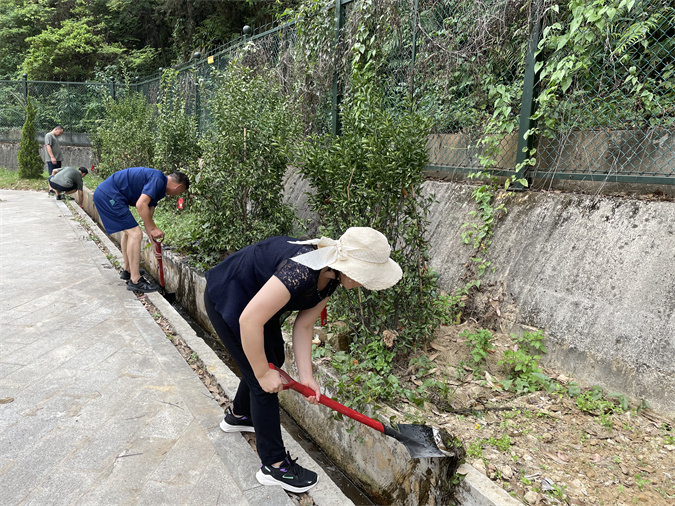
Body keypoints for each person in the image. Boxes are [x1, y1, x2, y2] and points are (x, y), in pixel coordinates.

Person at [204, 227, 402, 493]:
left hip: (255, 303)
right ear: (351, 268)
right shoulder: (301, 271)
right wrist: (263, 374)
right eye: (367, 277)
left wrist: (307, 377)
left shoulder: (330, 276)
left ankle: (239, 416)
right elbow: (249, 320)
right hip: (230, 298)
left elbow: (304, 326)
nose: (367, 284)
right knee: (264, 382)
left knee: (272, 357)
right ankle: (275, 466)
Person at [93, 167, 189, 293]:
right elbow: (140, 205)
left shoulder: (159, 189)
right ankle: (135, 280)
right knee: (135, 234)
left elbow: (147, 218)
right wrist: (154, 228)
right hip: (108, 195)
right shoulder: (158, 179)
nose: (177, 195)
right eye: (180, 192)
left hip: (110, 195)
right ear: (179, 187)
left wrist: (154, 243)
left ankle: (128, 271)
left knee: (129, 234)